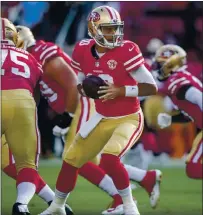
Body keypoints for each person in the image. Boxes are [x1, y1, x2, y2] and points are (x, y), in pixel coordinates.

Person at [15, 25, 162, 215]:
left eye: (114, 29)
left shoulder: (42, 53)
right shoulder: (82, 49)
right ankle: (143, 179)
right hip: (90, 105)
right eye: (107, 29)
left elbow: (70, 82)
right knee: (80, 159)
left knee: (90, 158)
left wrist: (67, 116)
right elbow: (76, 82)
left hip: (88, 105)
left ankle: (124, 199)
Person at [1, 17, 58, 215]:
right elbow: (41, 92)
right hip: (23, 102)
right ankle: (22, 205)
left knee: (8, 161)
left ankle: (52, 202)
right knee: (26, 165)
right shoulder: (30, 58)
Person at [147, 44, 202, 179]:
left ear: (171, 64)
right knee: (193, 167)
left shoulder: (175, 81)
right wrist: (171, 119)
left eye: (161, 64)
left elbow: (197, 96)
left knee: (193, 169)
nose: (157, 68)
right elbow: (191, 114)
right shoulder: (179, 77)